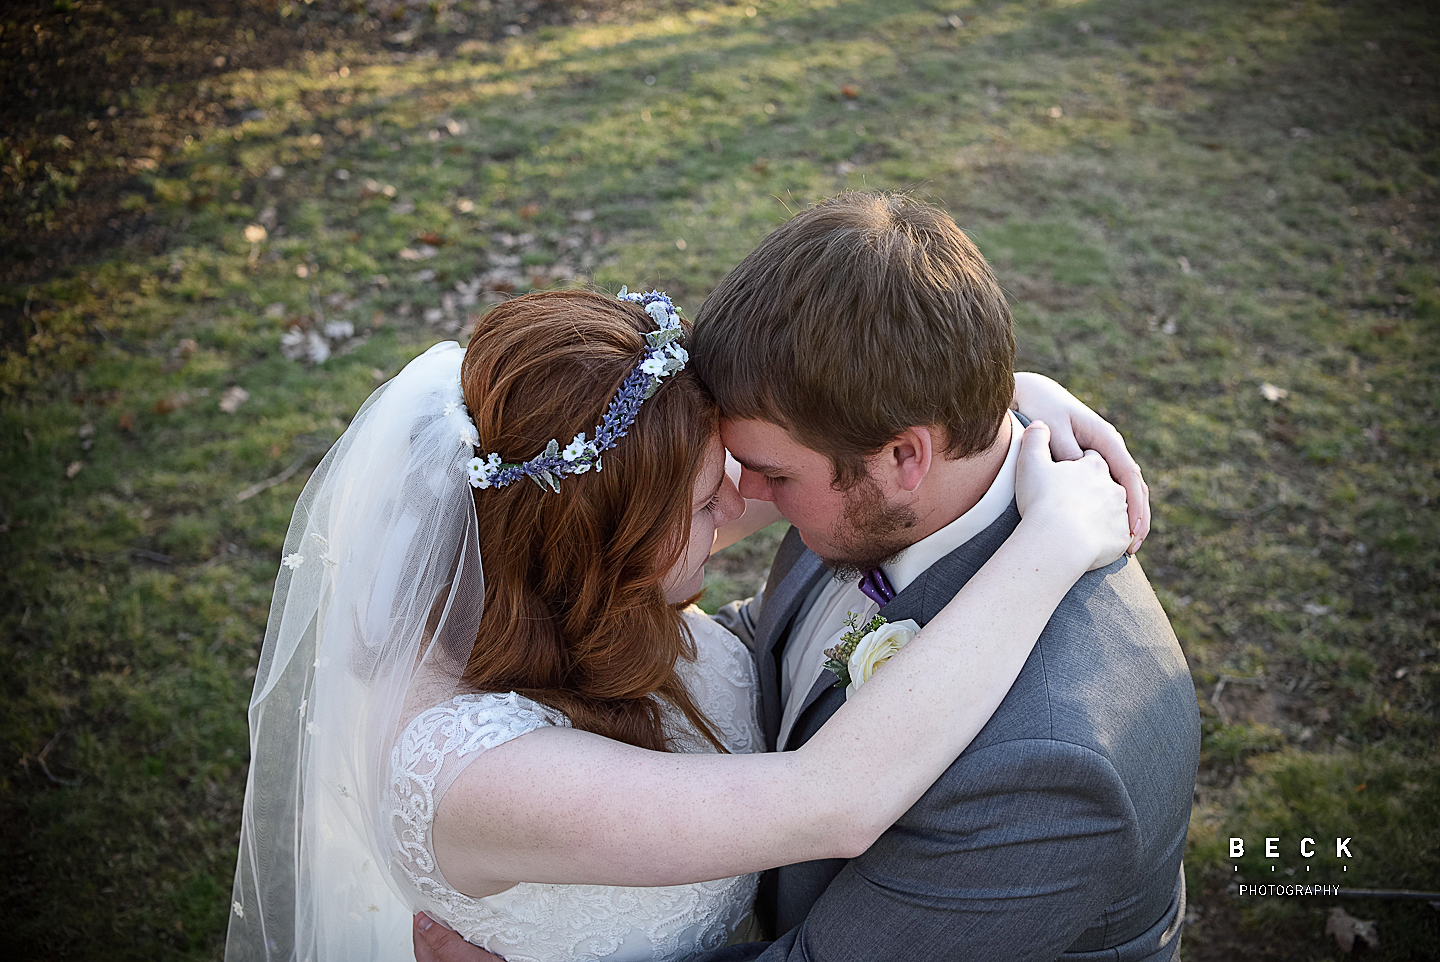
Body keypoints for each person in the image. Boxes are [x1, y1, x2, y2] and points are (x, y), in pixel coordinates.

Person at [226, 278, 1141, 962]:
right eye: (708, 502)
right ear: (611, 538)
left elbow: (839, 462)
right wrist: (1050, 545)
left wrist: (993, 404)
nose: (741, 504)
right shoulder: (475, 775)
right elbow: (836, 803)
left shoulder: (541, 569)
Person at [414, 193, 1199, 962]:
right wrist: (1012, 393)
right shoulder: (873, 493)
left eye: (771, 474)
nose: (741, 498)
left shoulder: (1044, 768)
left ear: (903, 456)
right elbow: (773, 659)